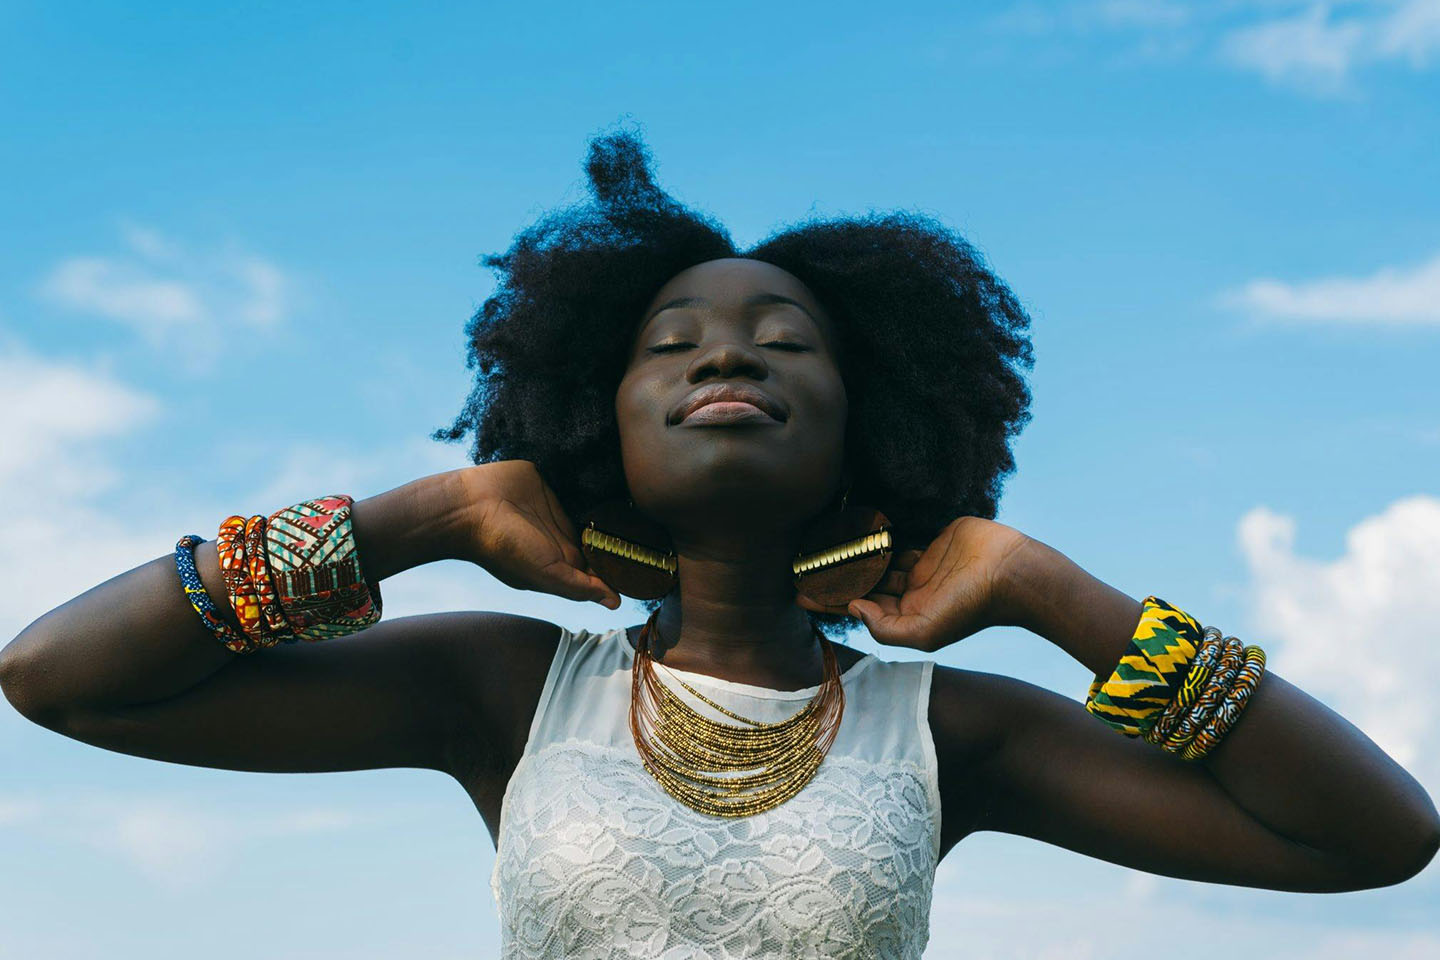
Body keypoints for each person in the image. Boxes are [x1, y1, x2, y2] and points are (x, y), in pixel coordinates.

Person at [2, 127, 1436, 960]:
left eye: (783, 339)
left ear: (870, 423)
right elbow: (59, 675)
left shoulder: (945, 733)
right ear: (595, 420)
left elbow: (1378, 838)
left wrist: (1056, 596)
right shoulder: (510, 694)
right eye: (669, 344)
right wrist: (421, 518)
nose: (722, 359)